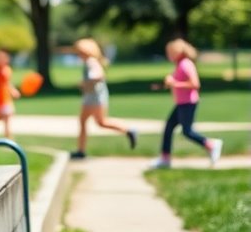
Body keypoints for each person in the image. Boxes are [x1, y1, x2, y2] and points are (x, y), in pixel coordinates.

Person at [149, 39, 223, 169]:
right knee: (169, 128)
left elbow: (195, 84)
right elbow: (179, 82)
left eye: (171, 53)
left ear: (178, 52)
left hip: (188, 103)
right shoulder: (180, 64)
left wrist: (174, 83)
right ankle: (165, 158)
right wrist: (165, 85)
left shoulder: (185, 64)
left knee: (187, 131)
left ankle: (211, 145)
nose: (169, 55)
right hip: (181, 103)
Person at [69, 38, 137, 160]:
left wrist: (85, 83)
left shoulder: (90, 62)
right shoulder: (91, 61)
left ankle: (81, 150)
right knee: (99, 122)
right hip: (95, 96)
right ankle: (128, 130)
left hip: (93, 97)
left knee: (90, 121)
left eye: (79, 52)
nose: (78, 54)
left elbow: (98, 75)